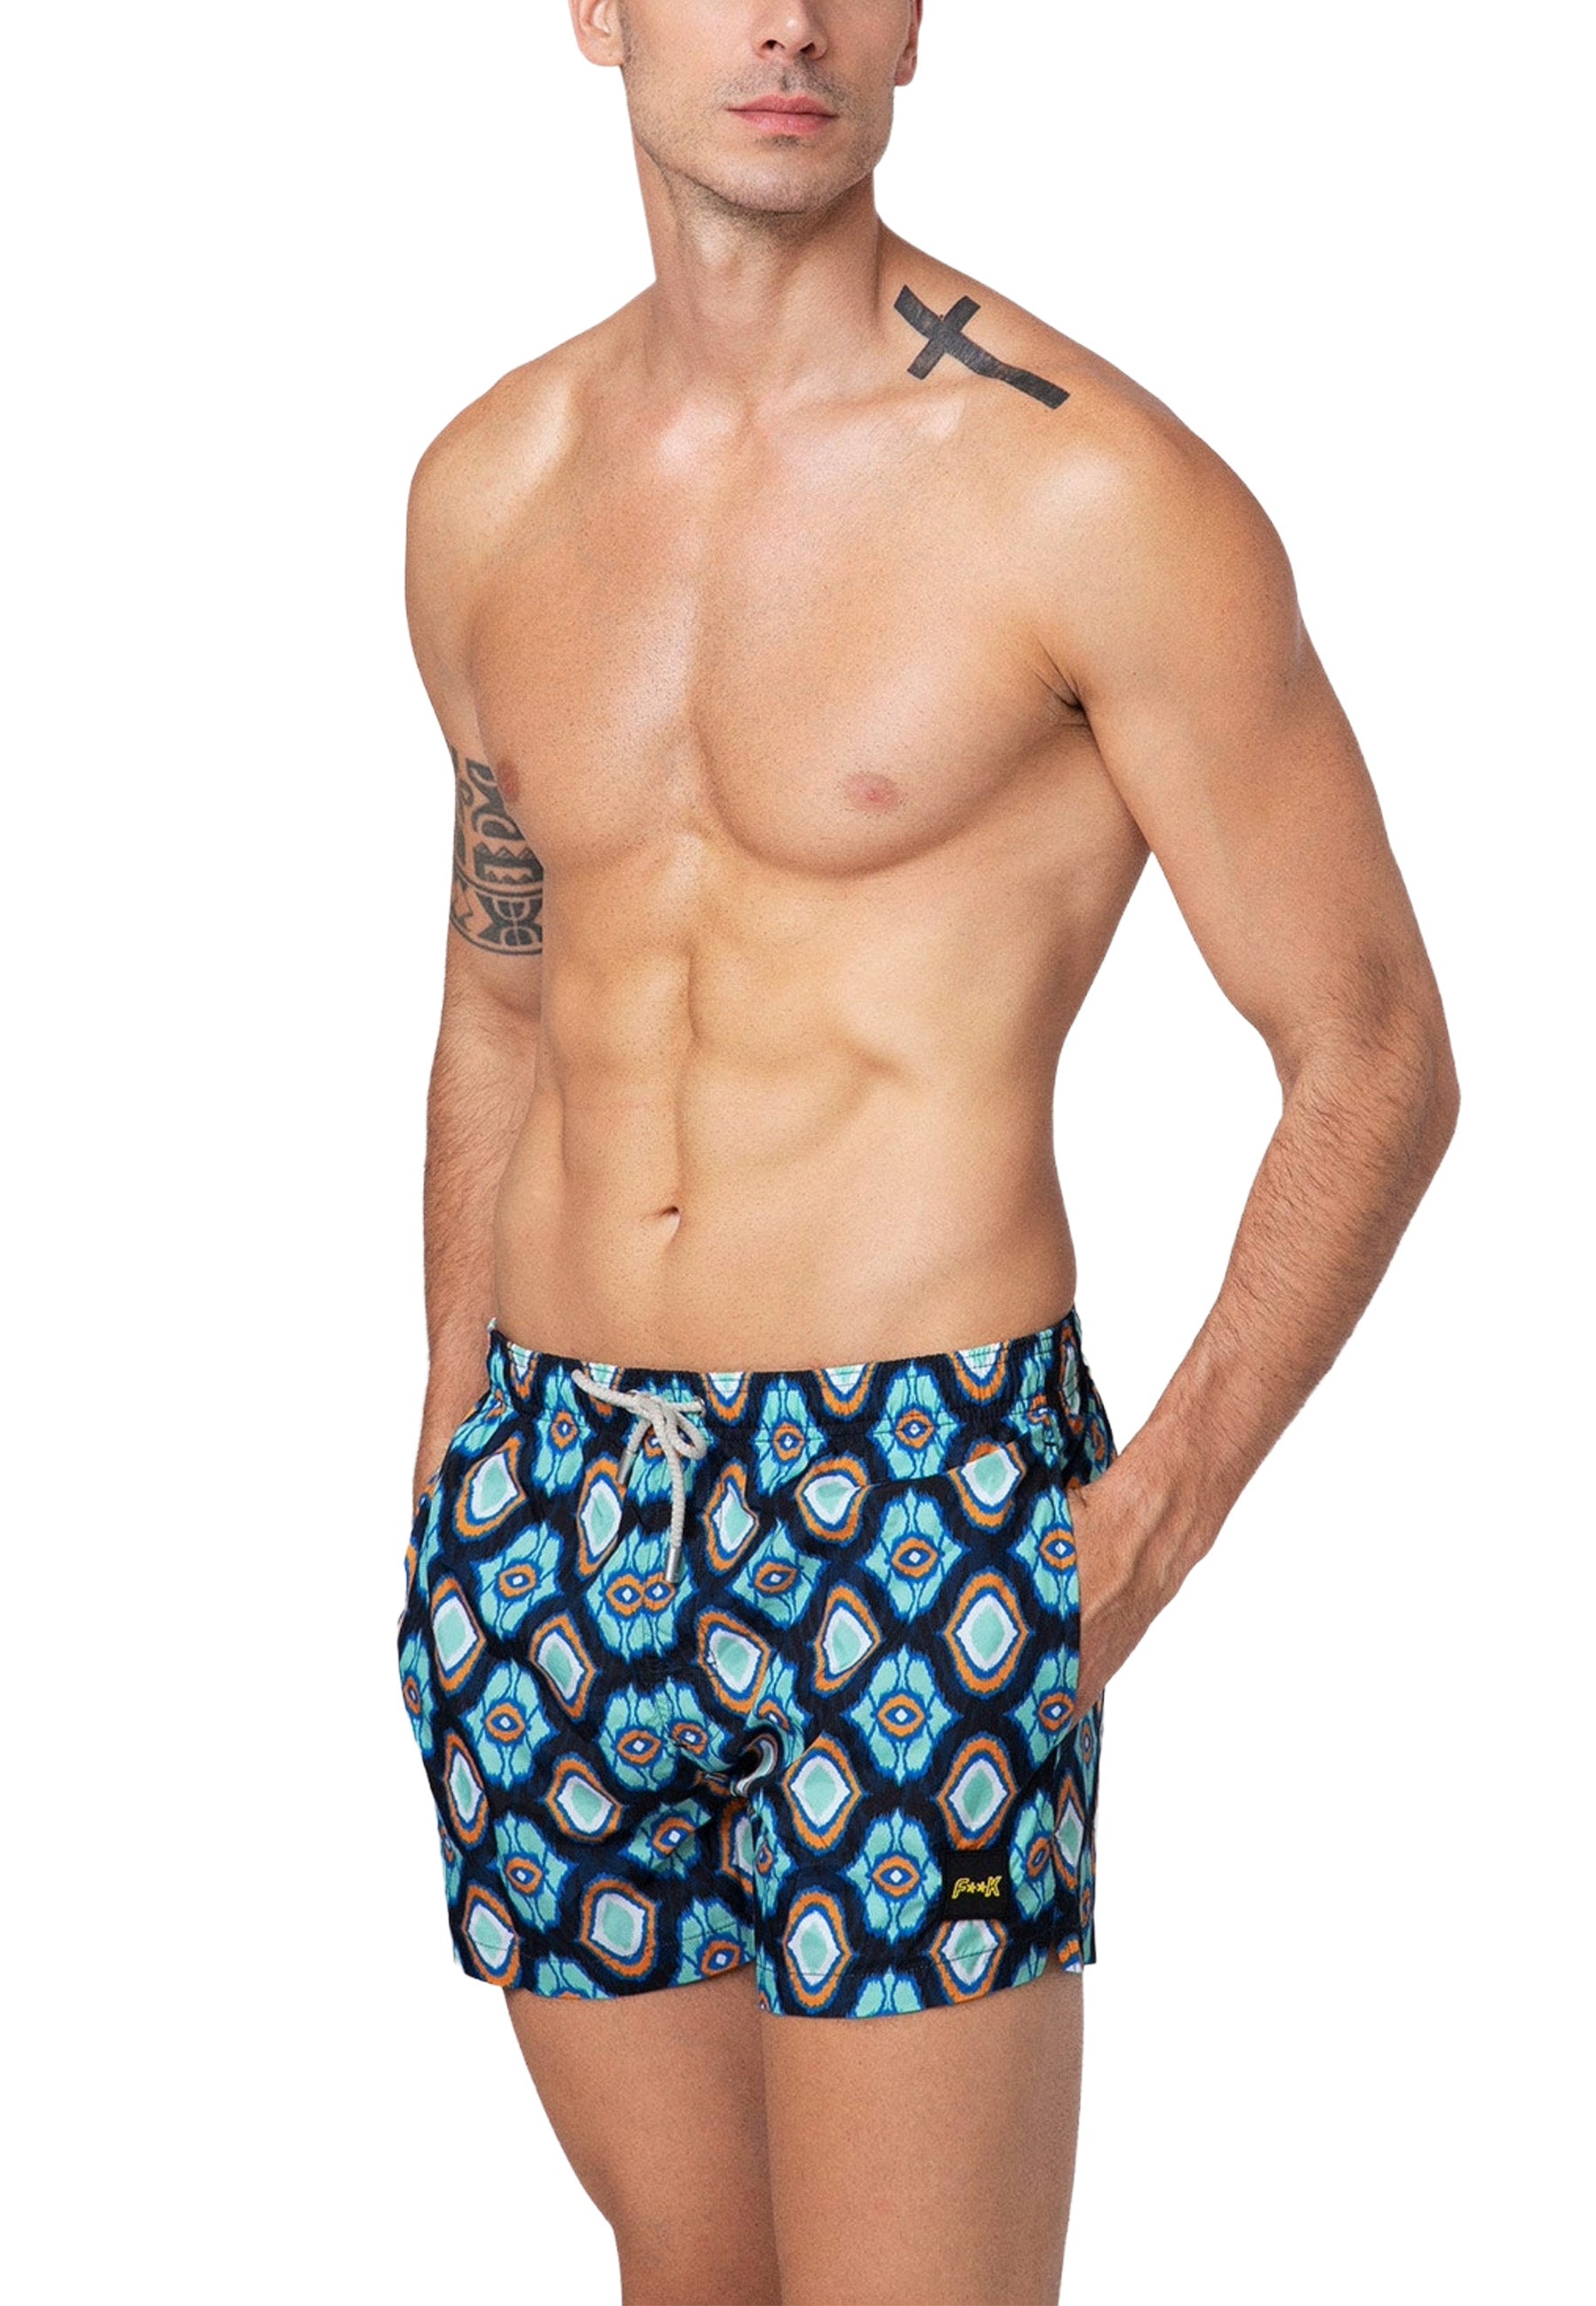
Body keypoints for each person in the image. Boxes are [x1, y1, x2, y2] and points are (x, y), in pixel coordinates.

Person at [393, 4, 1459, 2300]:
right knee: (687, 2264)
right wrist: (456, 1437)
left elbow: (1371, 1048)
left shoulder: (1094, 495)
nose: (788, 20)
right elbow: (502, 990)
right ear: (596, 11)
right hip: (549, 1500)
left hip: (915, 1488)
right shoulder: (488, 486)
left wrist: (1146, 1518)